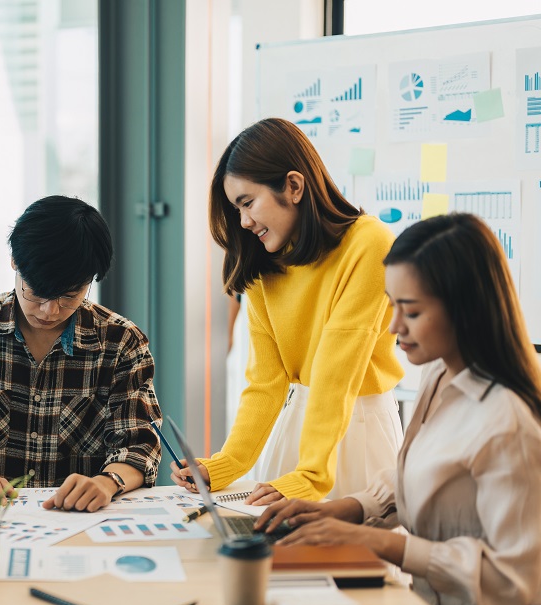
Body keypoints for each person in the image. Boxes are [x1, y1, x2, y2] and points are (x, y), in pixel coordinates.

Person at [256, 213, 541, 605]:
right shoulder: (441, 373)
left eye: (411, 311)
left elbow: (513, 577)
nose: (393, 328)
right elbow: (419, 471)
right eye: (392, 307)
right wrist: (347, 509)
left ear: (464, 308)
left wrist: (376, 542)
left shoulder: (508, 422)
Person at [172, 118, 402, 505]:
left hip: (358, 430)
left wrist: (311, 476)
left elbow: (337, 371)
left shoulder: (370, 243)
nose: (243, 222)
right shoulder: (263, 263)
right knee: (279, 561)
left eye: (247, 203)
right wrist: (228, 463)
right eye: (236, 209)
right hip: (295, 431)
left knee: (356, 561)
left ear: (294, 186)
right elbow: (265, 380)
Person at [0, 196, 162, 512]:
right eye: (37, 292)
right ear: (15, 262)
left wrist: (107, 482)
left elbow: (139, 445)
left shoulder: (121, 341)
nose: (49, 311)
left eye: (69, 296)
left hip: (79, 517)